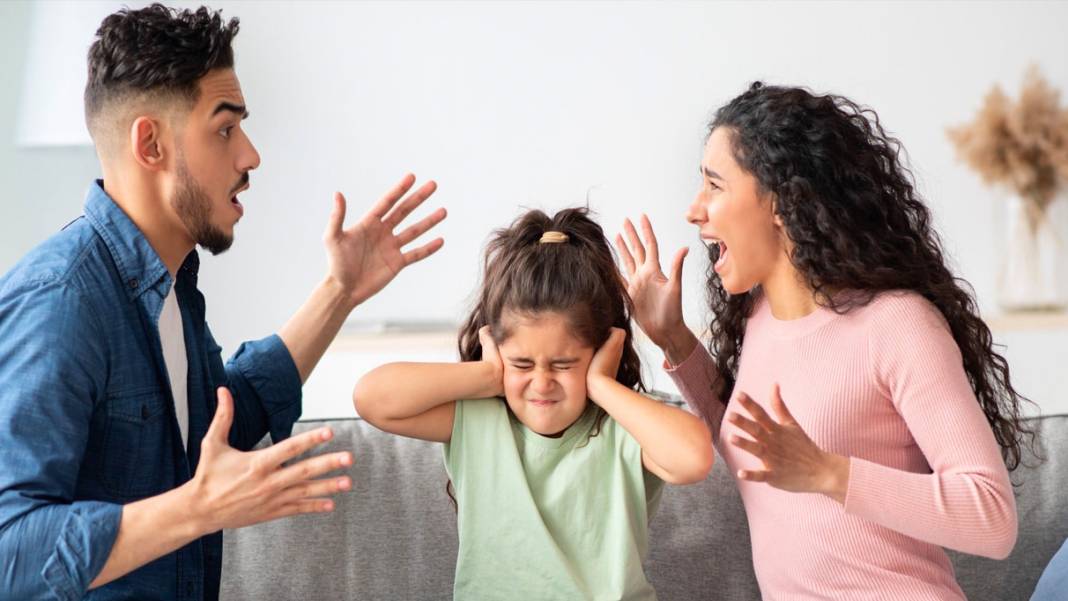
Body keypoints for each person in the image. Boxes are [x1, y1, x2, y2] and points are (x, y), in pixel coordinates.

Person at [0, 4, 445, 599]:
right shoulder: (62, 302)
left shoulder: (173, 287)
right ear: (151, 143)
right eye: (225, 128)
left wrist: (340, 292)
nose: (250, 156)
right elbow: (10, 549)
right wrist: (198, 508)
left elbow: (223, 420)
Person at [617, 82, 1027, 599]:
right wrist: (673, 340)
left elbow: (991, 517)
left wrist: (829, 473)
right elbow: (761, 452)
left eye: (714, 186)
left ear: (782, 202)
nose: (694, 210)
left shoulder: (897, 325)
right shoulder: (760, 318)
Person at [353, 207, 712, 600]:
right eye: (522, 363)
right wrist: (487, 376)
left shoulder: (622, 425)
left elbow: (694, 457)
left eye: (564, 364)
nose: (541, 383)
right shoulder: (477, 418)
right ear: (496, 347)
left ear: (601, 351)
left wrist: (601, 385)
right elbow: (372, 399)